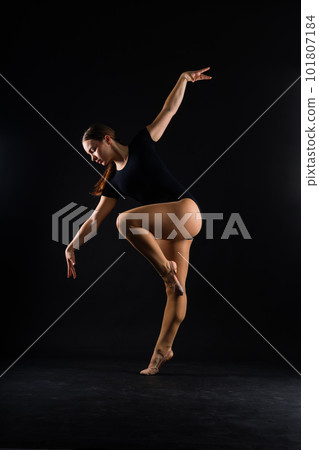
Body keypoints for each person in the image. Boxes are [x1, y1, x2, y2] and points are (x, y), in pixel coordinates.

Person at [65, 67, 212, 375]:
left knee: (125, 222)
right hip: (170, 228)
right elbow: (93, 220)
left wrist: (183, 79)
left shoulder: (142, 143)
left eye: (93, 150)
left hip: (186, 211)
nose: (93, 157)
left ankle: (165, 270)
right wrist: (72, 244)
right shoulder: (114, 181)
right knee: (176, 291)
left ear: (106, 139)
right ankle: (161, 354)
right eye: (89, 155)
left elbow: (168, 110)